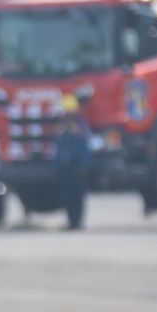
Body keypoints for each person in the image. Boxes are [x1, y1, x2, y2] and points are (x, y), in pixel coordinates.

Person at [54, 93, 91, 230]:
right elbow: (58, 148)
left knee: (77, 195)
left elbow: (85, 147)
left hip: (76, 166)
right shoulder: (61, 127)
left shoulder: (81, 126)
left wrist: (84, 164)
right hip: (65, 167)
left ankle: (77, 221)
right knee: (67, 195)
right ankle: (71, 221)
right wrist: (57, 164)